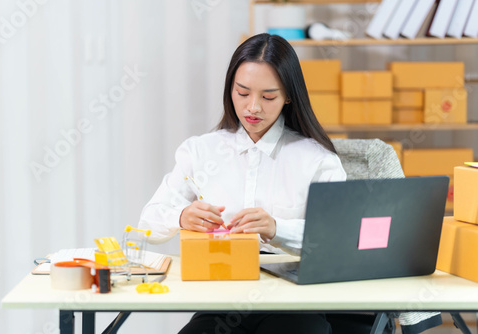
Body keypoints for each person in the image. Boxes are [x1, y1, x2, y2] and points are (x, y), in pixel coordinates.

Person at [139, 33, 346, 334]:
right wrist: (181, 216)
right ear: (230, 90)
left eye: (268, 96)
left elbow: (339, 238)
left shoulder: (316, 159)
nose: (253, 108)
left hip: (294, 303)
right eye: (243, 92)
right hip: (221, 301)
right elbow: (148, 221)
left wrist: (276, 228)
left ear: (289, 95)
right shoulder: (201, 151)